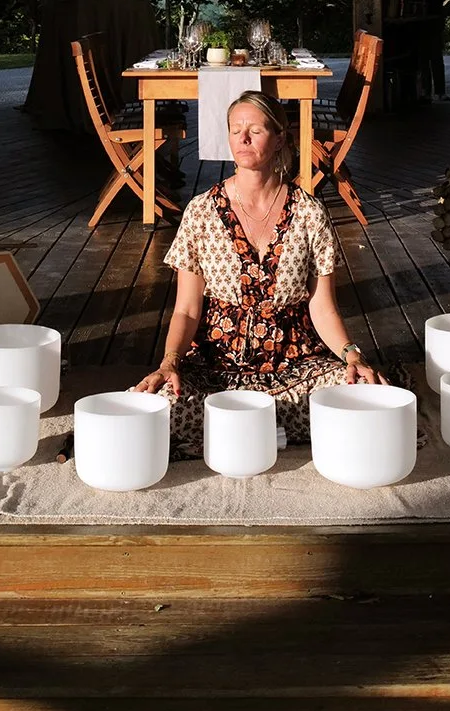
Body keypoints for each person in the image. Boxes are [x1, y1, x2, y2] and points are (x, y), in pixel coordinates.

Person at [133, 90, 386, 455]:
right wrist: (169, 362)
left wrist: (351, 354)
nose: (244, 139)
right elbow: (187, 309)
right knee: (153, 408)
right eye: (236, 130)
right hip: (216, 368)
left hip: (296, 364)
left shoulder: (310, 213)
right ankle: (270, 431)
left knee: (365, 397)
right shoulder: (201, 211)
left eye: (255, 130)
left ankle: (241, 434)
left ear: (280, 138)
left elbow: (322, 307)